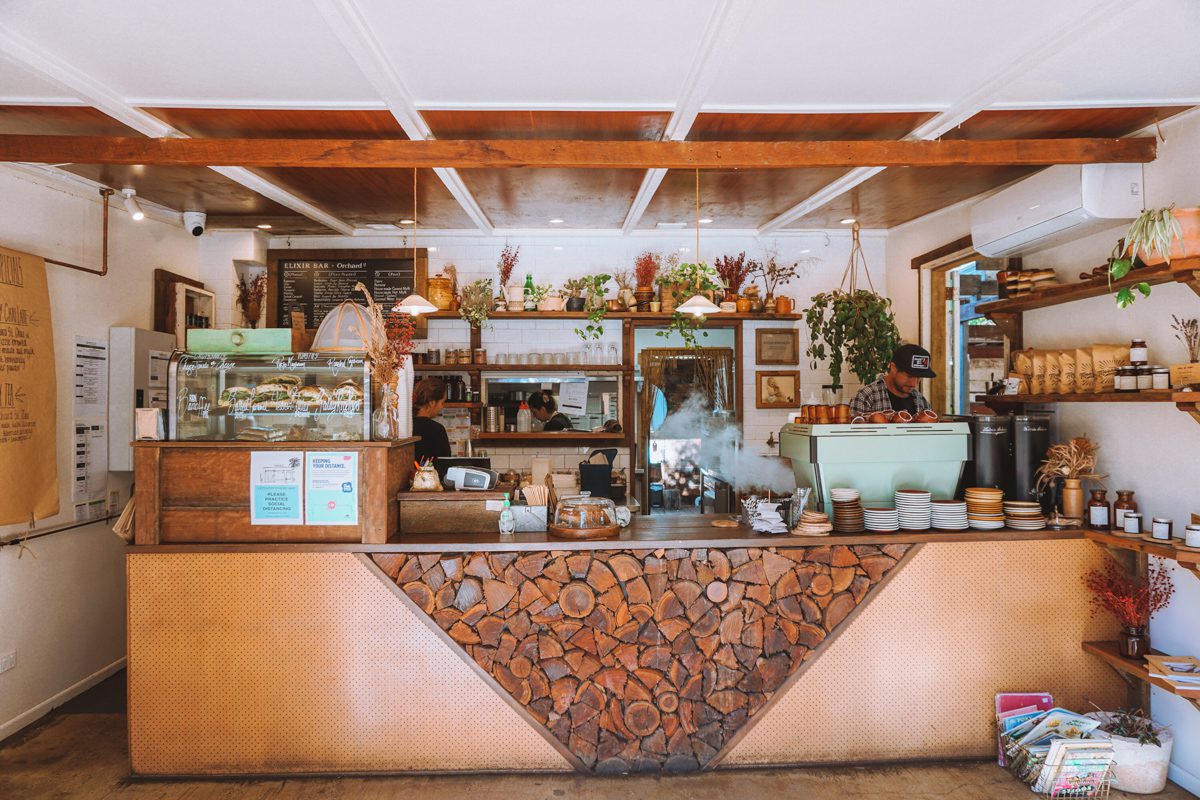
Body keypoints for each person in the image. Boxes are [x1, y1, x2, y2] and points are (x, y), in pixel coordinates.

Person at [849, 343, 935, 417]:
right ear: (893, 368)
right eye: (909, 376)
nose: (914, 384)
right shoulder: (866, 397)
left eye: (919, 378)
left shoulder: (921, 401)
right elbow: (853, 435)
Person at [412, 377, 451, 462]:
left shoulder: (405, 426)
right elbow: (445, 464)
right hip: (431, 475)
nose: (442, 406)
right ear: (432, 403)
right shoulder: (437, 430)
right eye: (442, 402)